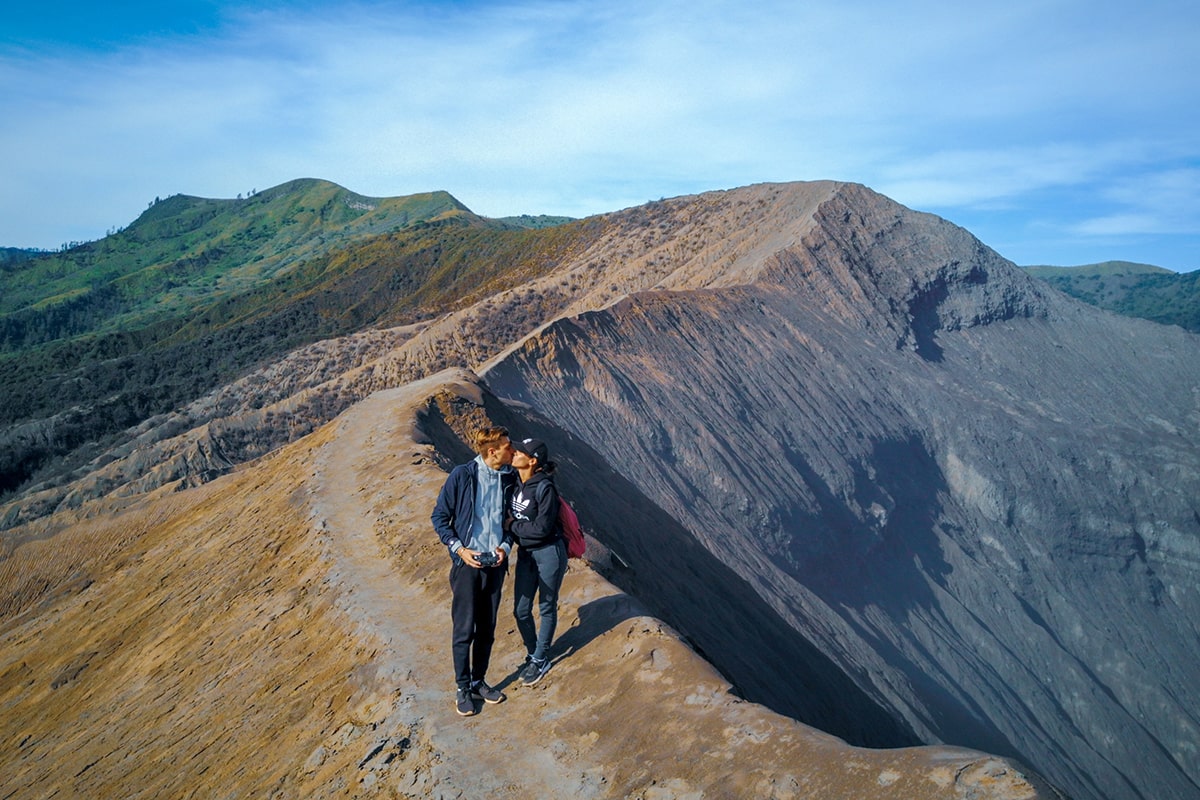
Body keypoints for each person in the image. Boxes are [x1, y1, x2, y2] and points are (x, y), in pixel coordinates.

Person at [431, 425, 516, 716]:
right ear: (493, 451)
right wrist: (460, 550)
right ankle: (462, 687)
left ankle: (479, 681)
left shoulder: (509, 479)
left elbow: (510, 523)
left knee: (487, 629)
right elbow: (440, 517)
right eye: (507, 446)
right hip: (467, 566)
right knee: (464, 629)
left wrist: (506, 547)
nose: (512, 450)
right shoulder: (463, 476)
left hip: (495, 564)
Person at [507, 437, 567, 686]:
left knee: (546, 606)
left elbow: (542, 528)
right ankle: (534, 653)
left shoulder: (545, 488)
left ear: (532, 461)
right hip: (527, 554)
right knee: (521, 610)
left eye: (519, 451)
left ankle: (541, 660)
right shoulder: (517, 484)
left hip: (548, 553)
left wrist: (513, 525)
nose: (513, 452)